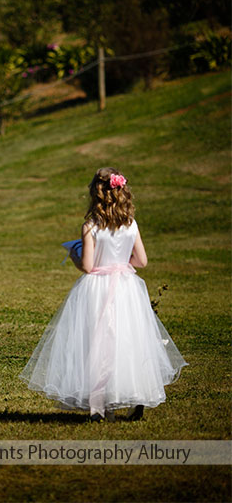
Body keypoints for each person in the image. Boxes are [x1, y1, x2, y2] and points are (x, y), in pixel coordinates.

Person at [19, 168, 187, 422]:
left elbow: (88, 266)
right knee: (129, 340)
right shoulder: (130, 224)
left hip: (97, 288)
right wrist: (121, 262)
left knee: (97, 344)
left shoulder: (91, 226)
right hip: (126, 287)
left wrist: (74, 255)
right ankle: (136, 396)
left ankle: (101, 407)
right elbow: (141, 261)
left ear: (96, 193)